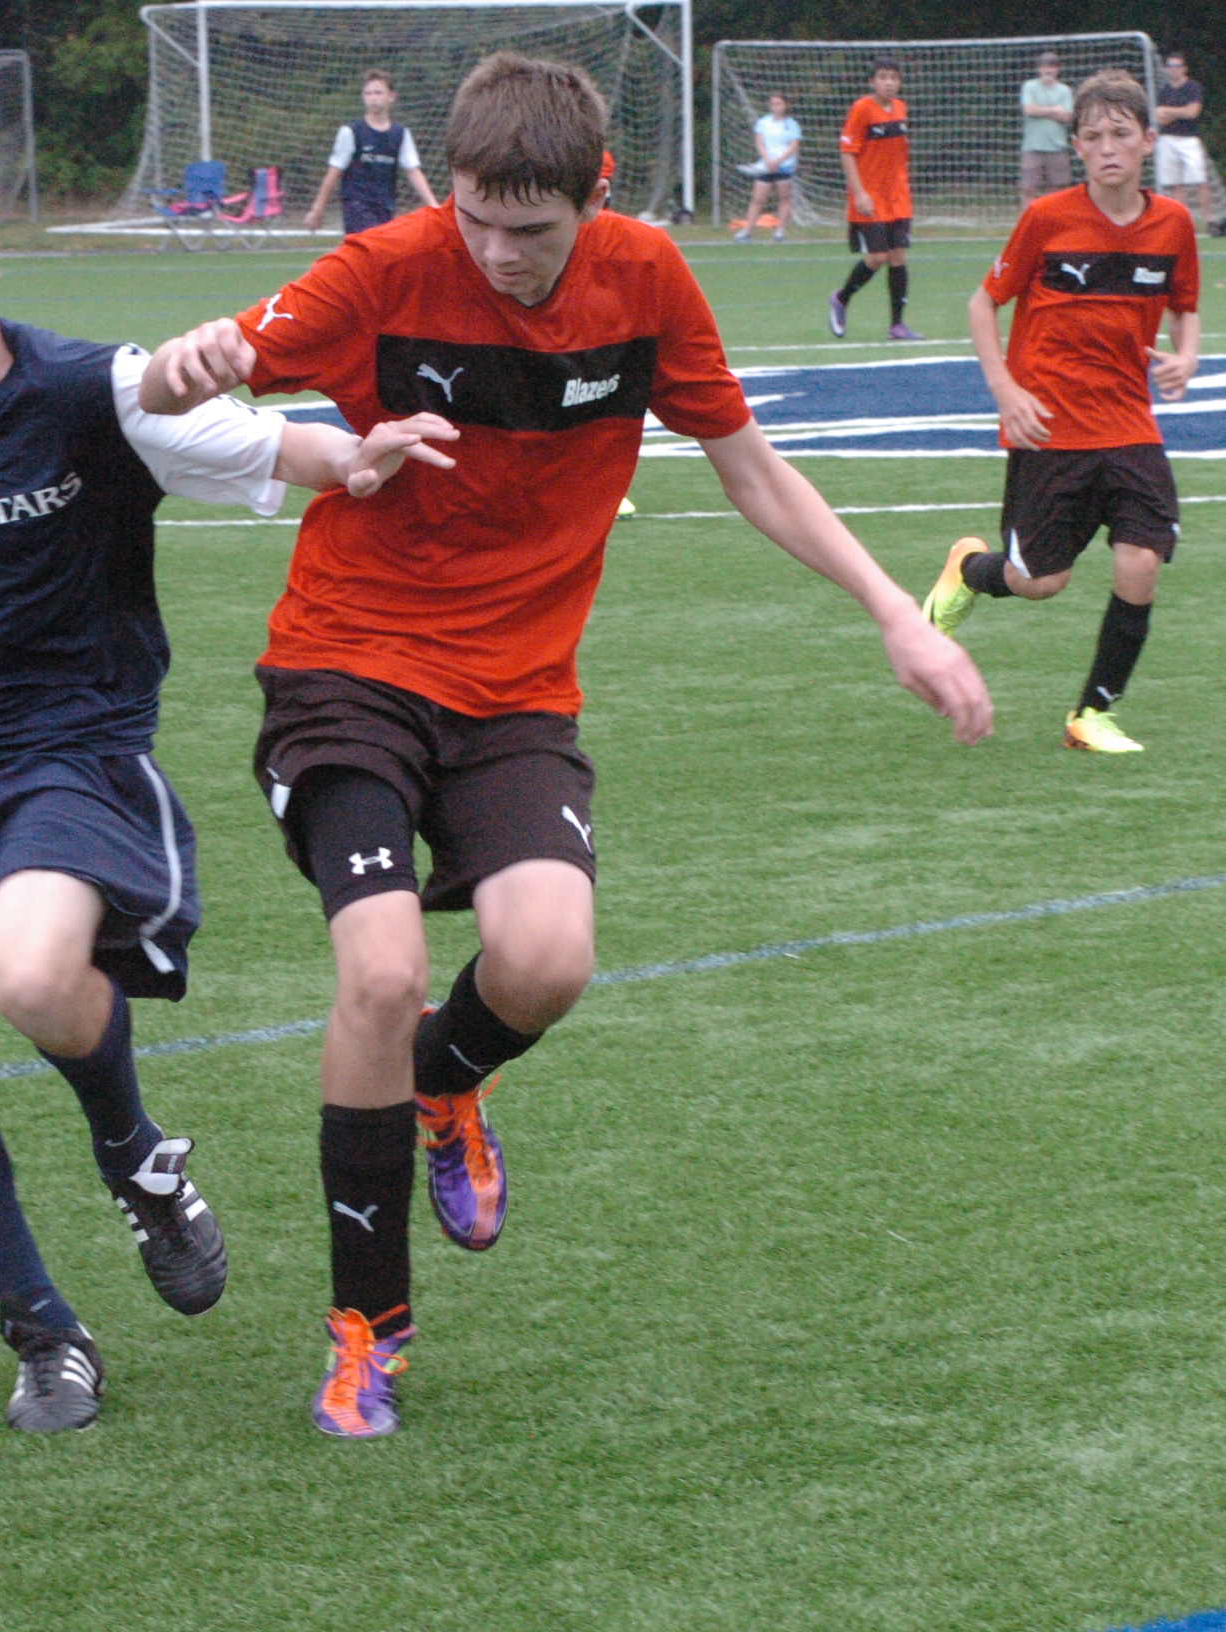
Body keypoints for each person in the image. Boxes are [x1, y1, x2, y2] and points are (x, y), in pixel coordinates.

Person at [138, 53, 991, 1439]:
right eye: (476, 219)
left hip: (517, 693)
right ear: (451, 190)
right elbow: (182, 389)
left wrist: (897, 613)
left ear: (595, 194)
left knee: (546, 961)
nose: (497, 253)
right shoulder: (383, 269)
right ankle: (367, 1329)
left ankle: (446, 1080)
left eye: (529, 230)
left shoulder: (645, 281)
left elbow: (751, 469)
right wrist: (195, 366)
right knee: (380, 970)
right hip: (347, 666)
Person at [0, 167, 453, 1435]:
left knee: (27, 971)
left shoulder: (91, 393)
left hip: (70, 750)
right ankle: (43, 1330)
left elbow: (275, 448)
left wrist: (361, 456)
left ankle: (132, 1153)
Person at [922, 70, 1200, 755]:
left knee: (1141, 559)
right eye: (1094, 136)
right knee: (1040, 581)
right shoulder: (1047, 219)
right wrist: (1006, 391)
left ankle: (1092, 713)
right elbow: (983, 303)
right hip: (1049, 430)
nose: (1108, 147)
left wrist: (1187, 356)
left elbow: (1185, 305)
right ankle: (968, 571)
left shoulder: (1173, 224)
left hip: (1129, 427)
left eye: (1121, 134)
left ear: (1147, 141)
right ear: (1076, 146)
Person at [831, 59, 920, 340]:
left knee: (897, 256)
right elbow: (847, 153)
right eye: (883, 77)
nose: (889, 82)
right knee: (877, 256)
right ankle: (841, 298)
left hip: (898, 197)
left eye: (894, 77)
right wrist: (859, 193)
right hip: (870, 196)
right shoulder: (861, 109)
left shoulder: (900, 108)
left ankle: (897, 325)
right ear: (872, 82)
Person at [303, 70, 439, 236]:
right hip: (357, 207)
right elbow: (334, 171)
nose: (373, 98)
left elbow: (413, 171)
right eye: (368, 93)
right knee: (372, 244)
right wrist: (317, 209)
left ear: (391, 96)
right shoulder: (351, 132)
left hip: (385, 207)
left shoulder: (400, 134)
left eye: (378, 93)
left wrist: (434, 206)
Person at [733, 91, 800, 243]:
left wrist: (778, 161)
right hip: (765, 166)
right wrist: (768, 160)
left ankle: (780, 232)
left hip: (784, 166)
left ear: (785, 105)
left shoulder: (791, 125)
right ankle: (747, 231)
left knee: (783, 199)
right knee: (758, 199)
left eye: (778, 103)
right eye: (773, 104)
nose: (775, 107)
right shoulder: (764, 122)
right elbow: (759, 143)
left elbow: (793, 146)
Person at [1153, 52, 1210, 214]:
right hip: (1167, 138)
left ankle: (1209, 219)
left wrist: (1168, 111)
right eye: (1170, 66)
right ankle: (1181, 217)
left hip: (1189, 139)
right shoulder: (1163, 91)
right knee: (1175, 183)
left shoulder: (1193, 87)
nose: (1174, 69)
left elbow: (1192, 112)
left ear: (1184, 68)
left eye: (1177, 66)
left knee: (1200, 179)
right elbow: (1159, 118)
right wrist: (1181, 112)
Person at [1019, 52, 1075, 206]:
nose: (1049, 70)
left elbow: (1067, 116)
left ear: (1058, 70)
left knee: (1057, 191)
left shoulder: (1064, 90)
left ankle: (1053, 219)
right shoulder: (1030, 86)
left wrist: (1040, 110)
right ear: (1039, 69)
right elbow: (1029, 110)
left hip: (1057, 147)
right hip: (1032, 147)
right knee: (1028, 188)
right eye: (1045, 67)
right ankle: (1028, 219)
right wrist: (1054, 110)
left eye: (1053, 67)